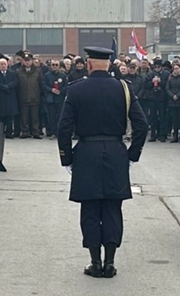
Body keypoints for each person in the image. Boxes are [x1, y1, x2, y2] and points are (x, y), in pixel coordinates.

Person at [57, 46, 148, 278]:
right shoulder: (123, 88)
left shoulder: (76, 90)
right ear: (109, 65)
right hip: (116, 151)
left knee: (90, 209)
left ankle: (95, 262)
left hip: (86, 152)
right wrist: (132, 154)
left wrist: (66, 157)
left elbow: (64, 128)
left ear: (88, 64)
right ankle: (110, 262)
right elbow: (142, 125)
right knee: (112, 208)